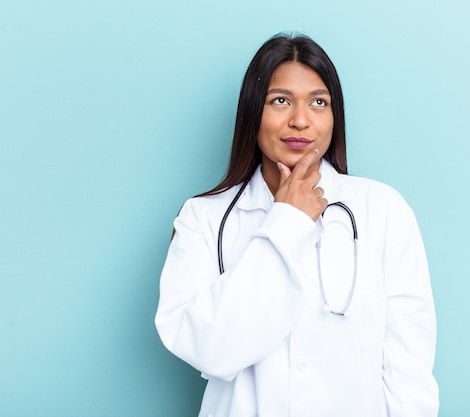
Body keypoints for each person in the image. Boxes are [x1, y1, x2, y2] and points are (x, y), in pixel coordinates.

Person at [155, 33, 439, 417]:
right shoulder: (202, 217)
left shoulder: (384, 210)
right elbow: (209, 349)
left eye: (318, 102)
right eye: (280, 101)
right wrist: (286, 222)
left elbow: (409, 370)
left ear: (334, 117)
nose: (300, 120)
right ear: (253, 112)